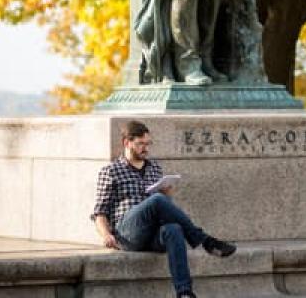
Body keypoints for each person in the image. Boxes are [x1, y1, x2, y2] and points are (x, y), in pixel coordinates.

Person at [91, 120, 236, 298]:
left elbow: (164, 209)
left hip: (151, 234)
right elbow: (100, 211)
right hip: (127, 233)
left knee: (173, 229)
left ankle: (184, 292)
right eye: (140, 144)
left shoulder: (154, 168)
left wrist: (167, 195)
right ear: (126, 143)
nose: (145, 148)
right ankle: (205, 241)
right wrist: (106, 235)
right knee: (157, 200)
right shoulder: (111, 171)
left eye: (148, 144)